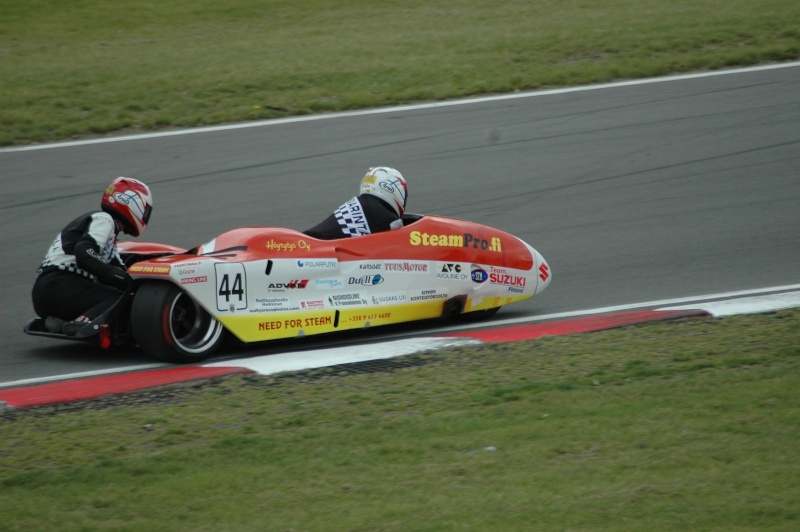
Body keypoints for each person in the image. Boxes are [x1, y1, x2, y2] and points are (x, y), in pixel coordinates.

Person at [31, 177, 154, 335]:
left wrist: (129, 282)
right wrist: (114, 276)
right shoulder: (104, 219)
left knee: (122, 294)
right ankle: (81, 322)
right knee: (118, 299)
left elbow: (120, 271)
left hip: (44, 294)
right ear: (131, 202)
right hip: (60, 284)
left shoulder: (106, 234)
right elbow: (85, 254)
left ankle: (62, 322)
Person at [303, 167, 408, 240]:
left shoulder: (361, 204)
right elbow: (402, 239)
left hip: (309, 240)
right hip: (320, 252)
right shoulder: (384, 216)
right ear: (392, 188)